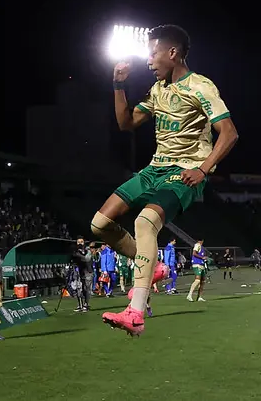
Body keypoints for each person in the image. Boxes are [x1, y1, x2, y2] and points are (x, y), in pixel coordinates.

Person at [91, 25, 239, 337]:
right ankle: (153, 266)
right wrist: (118, 85)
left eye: (153, 53)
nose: (148, 60)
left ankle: (136, 312)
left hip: (184, 172)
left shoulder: (201, 87)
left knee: (145, 223)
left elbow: (229, 133)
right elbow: (126, 122)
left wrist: (203, 169)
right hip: (153, 170)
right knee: (99, 224)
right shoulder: (158, 89)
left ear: (172, 53)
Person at [72, 237, 93, 312]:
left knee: (87, 288)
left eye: (82, 242)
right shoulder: (74, 251)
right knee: (78, 288)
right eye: (78, 242)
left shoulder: (88, 250)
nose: (80, 243)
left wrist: (79, 255)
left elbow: (87, 259)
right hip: (78, 271)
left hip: (87, 271)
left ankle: (86, 304)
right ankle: (79, 304)